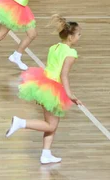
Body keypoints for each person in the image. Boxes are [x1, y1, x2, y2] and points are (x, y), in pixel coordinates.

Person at [6, 14, 82, 164]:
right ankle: (21, 123)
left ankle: (46, 154)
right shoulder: (71, 53)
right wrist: (70, 95)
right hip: (54, 89)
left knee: (52, 124)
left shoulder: (54, 47)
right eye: (79, 34)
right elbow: (64, 75)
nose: (80, 37)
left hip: (43, 85)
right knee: (50, 125)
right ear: (71, 37)